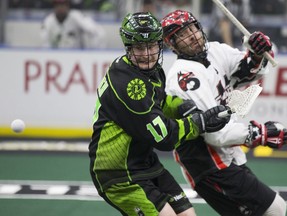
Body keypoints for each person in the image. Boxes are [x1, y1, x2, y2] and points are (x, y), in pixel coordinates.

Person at [88, 12, 231, 216]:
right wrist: (200, 122)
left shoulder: (150, 70)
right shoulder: (131, 85)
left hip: (144, 163)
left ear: (159, 45)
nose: (147, 54)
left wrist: (183, 106)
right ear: (129, 48)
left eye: (152, 46)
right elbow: (164, 138)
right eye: (139, 48)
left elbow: (161, 101)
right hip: (118, 174)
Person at [161, 9, 287, 216]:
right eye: (182, 34)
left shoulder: (215, 50)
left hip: (226, 155)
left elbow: (246, 73)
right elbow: (215, 134)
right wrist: (258, 134)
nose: (192, 35)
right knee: (274, 208)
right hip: (207, 164)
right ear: (172, 44)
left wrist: (257, 52)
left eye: (192, 28)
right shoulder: (183, 76)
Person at [40, 0, 106, 49]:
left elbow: (97, 31)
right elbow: (44, 43)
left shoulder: (76, 16)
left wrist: (94, 51)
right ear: (54, 6)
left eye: (63, 4)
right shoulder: (48, 21)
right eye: (57, 5)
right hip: (57, 56)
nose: (60, 7)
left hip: (77, 55)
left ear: (68, 5)